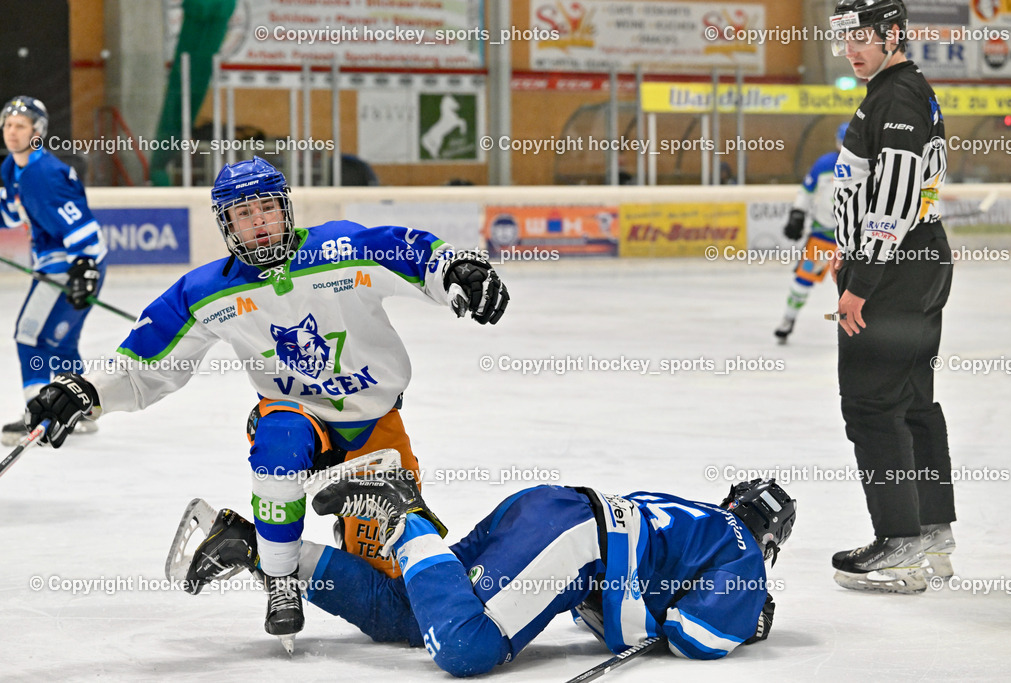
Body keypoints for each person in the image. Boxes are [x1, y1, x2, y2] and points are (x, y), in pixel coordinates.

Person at [21, 156, 510, 643]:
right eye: (243, 215)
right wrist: (84, 391)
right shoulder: (205, 291)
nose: (258, 223)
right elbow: (143, 369)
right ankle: (280, 580)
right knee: (278, 445)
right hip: (296, 417)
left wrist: (454, 270)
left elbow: (404, 250)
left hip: (373, 428)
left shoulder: (339, 249)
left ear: (285, 209)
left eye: (266, 210)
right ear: (226, 225)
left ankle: (247, 543)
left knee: (395, 603)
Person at [185, 463, 796, 674]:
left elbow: (607, 605)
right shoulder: (745, 556)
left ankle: (260, 550)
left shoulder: (697, 518)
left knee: (408, 613)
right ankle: (406, 517)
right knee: (465, 648)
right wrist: (746, 622)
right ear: (773, 536)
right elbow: (699, 638)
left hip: (549, 511)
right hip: (576, 539)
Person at [827, 0, 956, 593]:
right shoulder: (900, 89)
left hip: (896, 271)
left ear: (893, 35)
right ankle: (929, 531)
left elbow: (896, 201)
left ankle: (899, 546)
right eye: (844, 38)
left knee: (872, 404)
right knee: (911, 398)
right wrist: (845, 248)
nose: (851, 49)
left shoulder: (896, 97)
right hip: (917, 263)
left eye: (861, 37)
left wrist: (861, 282)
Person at [0, 96, 106, 446]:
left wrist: (85, 265)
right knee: (62, 342)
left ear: (37, 131)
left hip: (70, 264)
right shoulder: (12, 169)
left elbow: (80, 222)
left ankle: (37, 412)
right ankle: (81, 411)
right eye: (8, 124)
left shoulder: (44, 173)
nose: (11, 131)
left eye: (20, 126)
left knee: (29, 334)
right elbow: (12, 216)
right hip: (67, 264)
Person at [774, 123, 847, 343]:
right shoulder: (824, 164)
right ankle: (788, 319)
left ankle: (860, 328)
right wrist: (797, 214)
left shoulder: (869, 165)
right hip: (823, 237)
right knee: (803, 279)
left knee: (856, 287)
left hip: (853, 241)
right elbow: (806, 192)